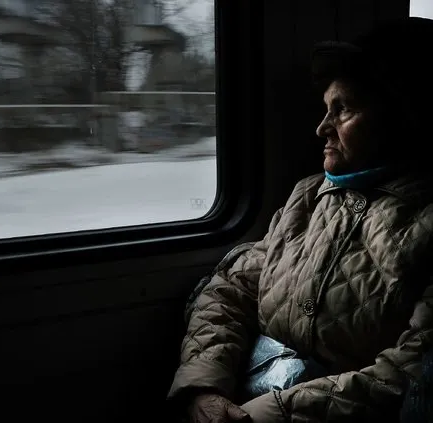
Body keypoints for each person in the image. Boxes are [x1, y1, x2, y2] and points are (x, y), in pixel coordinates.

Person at [167, 17, 433, 423]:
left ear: (401, 118)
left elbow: (413, 371)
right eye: (325, 109)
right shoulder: (308, 196)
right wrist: (205, 386)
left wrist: (273, 413)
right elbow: (231, 289)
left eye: (343, 110)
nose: (321, 127)